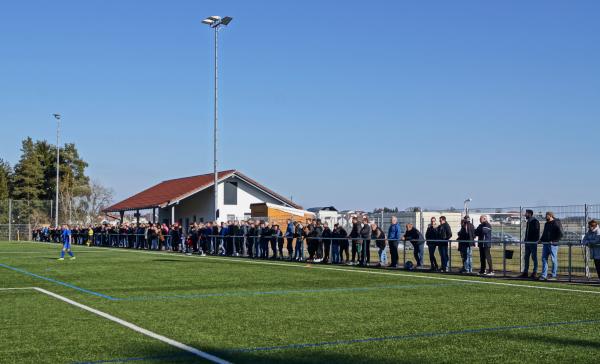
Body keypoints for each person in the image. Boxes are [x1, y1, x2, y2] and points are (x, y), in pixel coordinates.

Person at [538, 211, 563, 281]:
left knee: (553, 259)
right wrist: (541, 240)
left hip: (553, 245)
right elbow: (544, 233)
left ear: (550, 215)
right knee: (544, 259)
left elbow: (561, 234)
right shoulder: (546, 224)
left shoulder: (556, 222)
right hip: (545, 244)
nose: (545, 217)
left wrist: (554, 241)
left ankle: (553, 275)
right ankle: (544, 275)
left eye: (546, 215)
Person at [520, 209, 540, 278]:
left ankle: (534, 272)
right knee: (526, 257)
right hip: (527, 242)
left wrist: (535, 241)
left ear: (530, 214)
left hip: (533, 243)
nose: (525, 214)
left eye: (526, 213)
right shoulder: (528, 222)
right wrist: (526, 239)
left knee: (534, 257)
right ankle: (525, 272)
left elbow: (537, 232)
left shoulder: (535, 221)